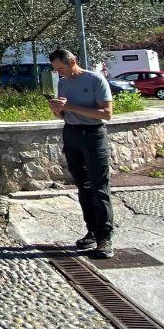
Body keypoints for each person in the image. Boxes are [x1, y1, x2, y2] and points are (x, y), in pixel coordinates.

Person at [47, 48, 115, 259]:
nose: (59, 73)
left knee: (99, 186)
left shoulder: (95, 80)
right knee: (82, 186)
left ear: (73, 61)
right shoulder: (63, 83)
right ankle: (92, 231)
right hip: (71, 133)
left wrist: (72, 107)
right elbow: (63, 114)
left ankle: (105, 237)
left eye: (61, 68)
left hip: (94, 135)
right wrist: (57, 109)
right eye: (55, 69)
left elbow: (107, 113)